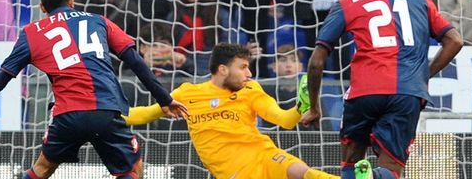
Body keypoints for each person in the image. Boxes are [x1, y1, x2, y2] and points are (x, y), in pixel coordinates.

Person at [0, 0, 188, 179]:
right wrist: (164, 99)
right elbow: (135, 61)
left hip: (67, 116)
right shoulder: (97, 21)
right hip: (106, 110)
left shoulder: (32, 33)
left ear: (42, 8)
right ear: (72, 1)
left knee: (41, 169)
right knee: (132, 169)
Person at [302, 0, 463, 179]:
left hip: (364, 91)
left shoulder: (347, 2)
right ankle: (376, 176)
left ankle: (363, 175)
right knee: (391, 169)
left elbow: (316, 63)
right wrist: (424, 74)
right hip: (407, 92)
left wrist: (315, 107)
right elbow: (455, 40)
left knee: (350, 160)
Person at [123, 42, 339, 179]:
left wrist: (301, 106)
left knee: (303, 173)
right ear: (223, 69)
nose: (250, 73)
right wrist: (106, 113)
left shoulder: (251, 90)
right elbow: (144, 113)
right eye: (243, 67)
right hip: (236, 172)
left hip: (264, 155)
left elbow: (284, 120)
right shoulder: (187, 94)